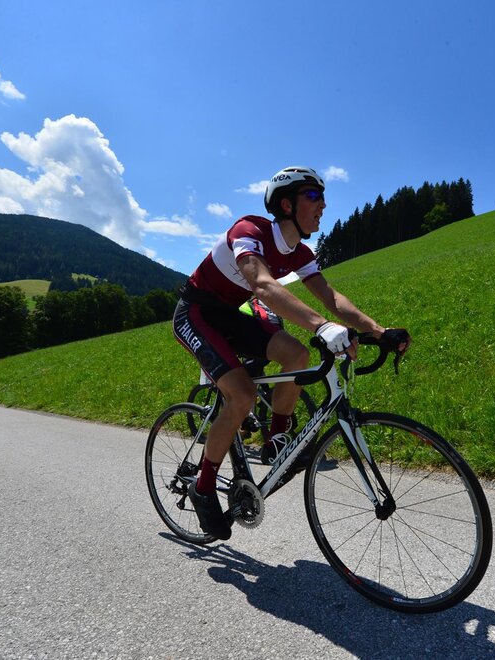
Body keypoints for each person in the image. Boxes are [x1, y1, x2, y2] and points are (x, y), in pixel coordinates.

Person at [172, 165, 411, 540]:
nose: (323, 205)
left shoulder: (299, 253)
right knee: (242, 396)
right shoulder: (249, 231)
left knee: (298, 355)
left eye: (323, 197)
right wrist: (322, 326)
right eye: (314, 196)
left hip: (230, 316)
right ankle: (203, 488)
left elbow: (331, 297)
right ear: (286, 204)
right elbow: (262, 285)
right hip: (196, 313)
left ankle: (277, 441)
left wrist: (378, 331)